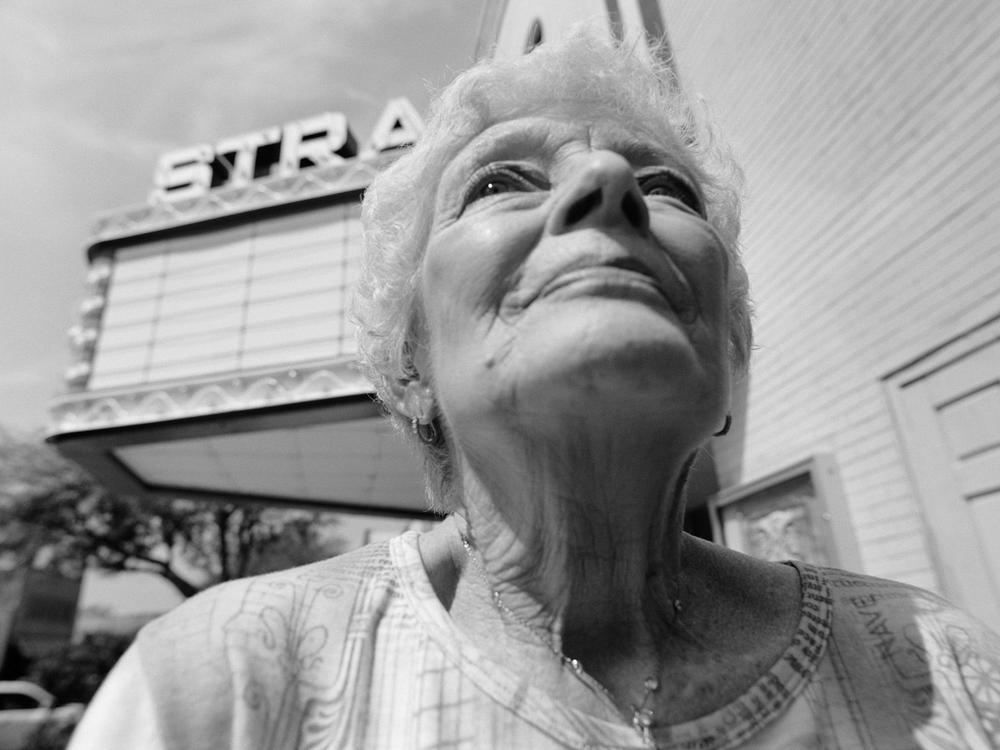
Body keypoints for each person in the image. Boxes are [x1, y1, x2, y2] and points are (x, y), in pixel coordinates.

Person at [69, 29, 1000, 750]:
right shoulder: (229, 679)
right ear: (411, 365)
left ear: (726, 355)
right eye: (499, 182)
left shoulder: (948, 668)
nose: (607, 180)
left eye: (669, 188)